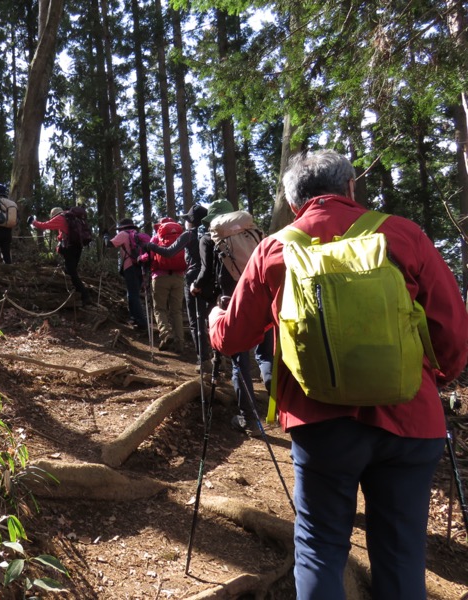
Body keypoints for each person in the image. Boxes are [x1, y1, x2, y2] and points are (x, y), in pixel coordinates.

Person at [208, 150, 468, 599]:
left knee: (320, 547)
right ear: (351, 188)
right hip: (411, 420)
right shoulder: (404, 236)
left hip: (321, 425)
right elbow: (453, 333)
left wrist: (214, 319)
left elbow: (233, 339)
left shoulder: (274, 249)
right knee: (403, 553)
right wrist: (430, 382)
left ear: (294, 205)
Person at [191, 199, 266, 436]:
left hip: (230, 302)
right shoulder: (252, 232)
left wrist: (195, 287)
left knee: (239, 361)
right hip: (262, 298)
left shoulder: (209, 238)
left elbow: (206, 273)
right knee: (266, 356)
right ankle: (286, 411)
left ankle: (249, 418)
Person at [145, 204, 210, 364]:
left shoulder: (188, 235)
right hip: (209, 278)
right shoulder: (211, 234)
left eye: (187, 219)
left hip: (191, 278)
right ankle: (217, 358)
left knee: (194, 321)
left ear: (192, 221)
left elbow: (168, 252)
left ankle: (203, 360)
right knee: (206, 317)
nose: (186, 222)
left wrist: (151, 246)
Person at [28, 207, 92, 306]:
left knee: (72, 273)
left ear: (54, 215)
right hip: (78, 246)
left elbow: (45, 225)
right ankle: (74, 291)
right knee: (71, 270)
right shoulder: (72, 218)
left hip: (69, 248)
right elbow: (64, 233)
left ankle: (85, 295)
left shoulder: (60, 218)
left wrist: (33, 222)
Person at [142, 217, 186, 350]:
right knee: (176, 311)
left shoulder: (156, 238)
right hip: (178, 276)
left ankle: (166, 334)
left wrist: (140, 258)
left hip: (160, 277)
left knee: (160, 308)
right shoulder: (182, 237)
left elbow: (148, 256)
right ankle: (180, 342)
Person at [104, 218, 148, 330]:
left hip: (130, 267)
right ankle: (134, 318)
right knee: (133, 293)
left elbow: (109, 244)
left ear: (123, 228)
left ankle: (141, 322)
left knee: (133, 295)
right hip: (140, 267)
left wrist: (105, 236)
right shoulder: (138, 235)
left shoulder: (123, 234)